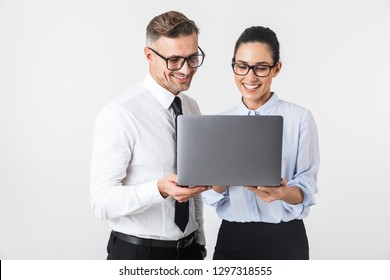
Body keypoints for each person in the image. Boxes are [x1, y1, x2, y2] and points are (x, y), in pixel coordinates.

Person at [90, 11, 210, 260]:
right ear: (149, 55)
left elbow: (192, 187)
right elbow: (101, 201)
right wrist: (158, 189)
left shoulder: (191, 107)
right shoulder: (120, 113)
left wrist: (199, 242)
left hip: (189, 252)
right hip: (138, 254)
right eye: (175, 60)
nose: (186, 70)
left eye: (193, 57)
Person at [202, 26, 320, 260]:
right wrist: (218, 182)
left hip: (285, 240)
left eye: (261, 68)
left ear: (277, 68)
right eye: (242, 66)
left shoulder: (299, 118)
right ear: (234, 66)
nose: (250, 77)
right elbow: (212, 196)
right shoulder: (220, 123)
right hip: (232, 240)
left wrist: (283, 193)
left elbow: (306, 188)